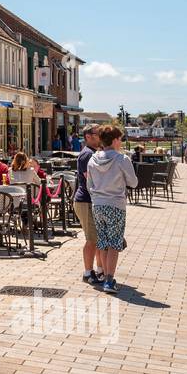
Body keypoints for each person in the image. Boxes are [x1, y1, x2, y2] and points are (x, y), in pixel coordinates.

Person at [85, 124, 138, 294]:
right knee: (114, 244)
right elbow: (134, 183)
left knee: (103, 242)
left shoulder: (93, 159)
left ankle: (103, 275)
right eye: (120, 139)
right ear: (115, 140)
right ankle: (109, 280)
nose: (121, 142)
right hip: (115, 204)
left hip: (98, 204)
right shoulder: (122, 159)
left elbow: (89, 184)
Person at [73, 125, 103, 286]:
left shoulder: (94, 153)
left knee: (97, 238)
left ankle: (100, 270)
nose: (101, 136)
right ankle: (87, 272)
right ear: (88, 136)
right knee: (91, 239)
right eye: (98, 133)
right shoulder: (87, 155)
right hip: (85, 201)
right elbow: (92, 180)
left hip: (92, 200)